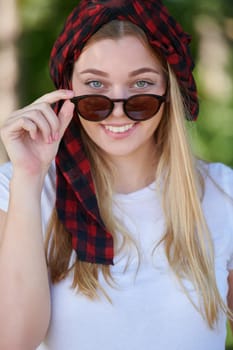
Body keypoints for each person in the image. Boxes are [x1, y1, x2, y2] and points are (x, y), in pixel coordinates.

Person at [0, 0, 232, 349]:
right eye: (96, 85)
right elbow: (12, 340)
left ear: (169, 91)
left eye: (141, 84)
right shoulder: (18, 187)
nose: (118, 110)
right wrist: (29, 176)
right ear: (67, 91)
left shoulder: (223, 193)